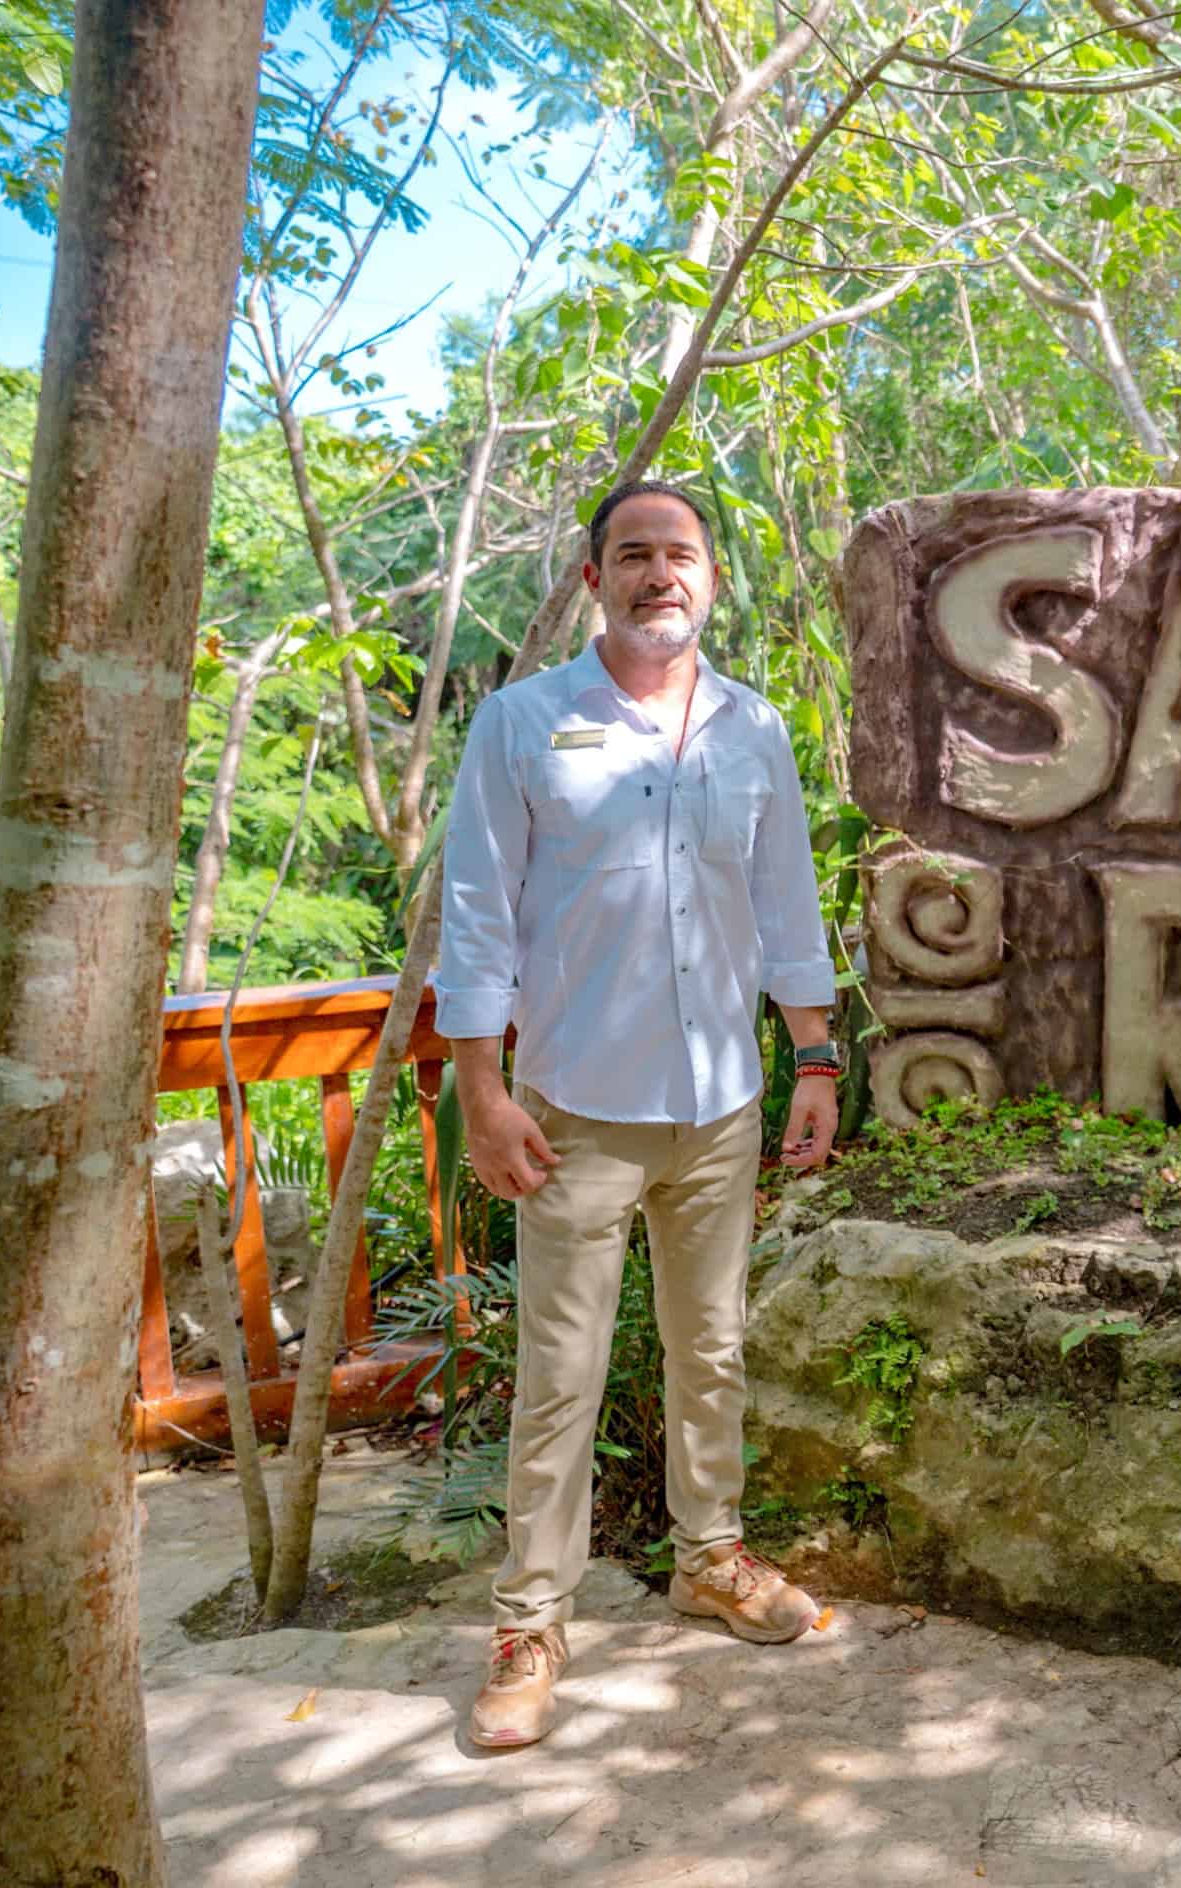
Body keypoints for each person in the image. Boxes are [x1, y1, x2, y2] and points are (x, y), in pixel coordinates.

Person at [438, 480, 845, 1750]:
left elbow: (787, 907)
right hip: (576, 1113)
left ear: (710, 577)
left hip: (721, 1104)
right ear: (592, 576)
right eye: (632, 553)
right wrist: (483, 1092)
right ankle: (529, 1624)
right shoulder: (523, 723)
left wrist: (816, 1058)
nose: (658, 571)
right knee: (560, 1376)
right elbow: (478, 915)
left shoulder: (752, 729)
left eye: (679, 553)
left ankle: (710, 1557)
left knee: (710, 1346)